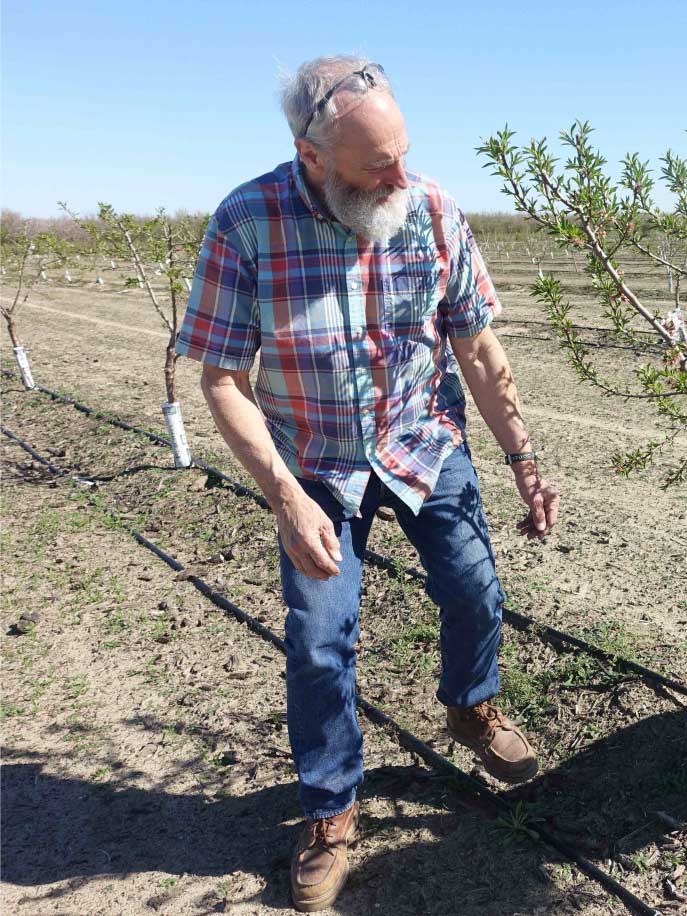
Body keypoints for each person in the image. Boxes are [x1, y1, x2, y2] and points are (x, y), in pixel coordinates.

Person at [175, 56, 559, 912]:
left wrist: (525, 460)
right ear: (312, 155)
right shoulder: (247, 221)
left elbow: (479, 349)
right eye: (374, 163)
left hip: (424, 440)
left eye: (403, 153)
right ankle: (330, 807)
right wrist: (284, 495)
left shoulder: (430, 210)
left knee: (475, 592)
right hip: (312, 463)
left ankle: (469, 705)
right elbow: (222, 379)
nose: (398, 175)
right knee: (319, 640)